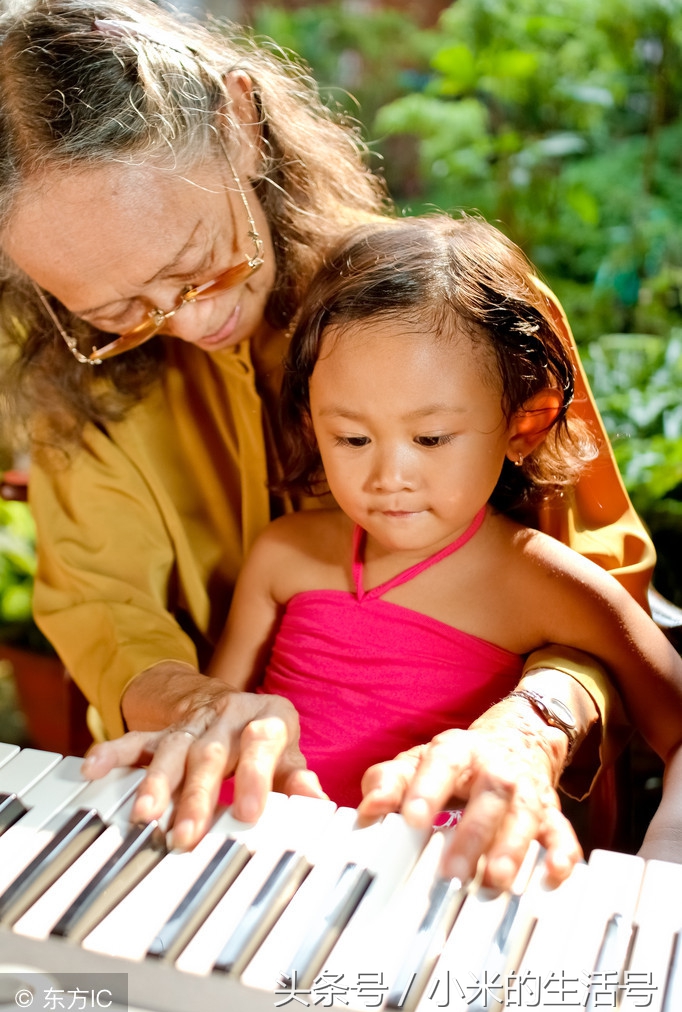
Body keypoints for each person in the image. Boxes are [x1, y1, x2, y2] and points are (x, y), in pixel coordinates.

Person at [0, 0, 657, 889]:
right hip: (231, 831)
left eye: (201, 261)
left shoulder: (446, 311)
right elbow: (103, 605)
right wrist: (200, 708)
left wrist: (532, 722)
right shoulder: (77, 385)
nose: (195, 322)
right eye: (118, 313)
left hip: (470, 844)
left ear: (239, 122)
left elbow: (598, 581)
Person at [204, 214, 682, 880]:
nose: (388, 476)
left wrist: (664, 859)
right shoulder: (284, 552)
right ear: (311, 420)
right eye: (351, 438)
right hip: (238, 863)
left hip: (421, 898)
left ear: (525, 423)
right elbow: (213, 721)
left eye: (430, 439)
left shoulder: (540, 580)